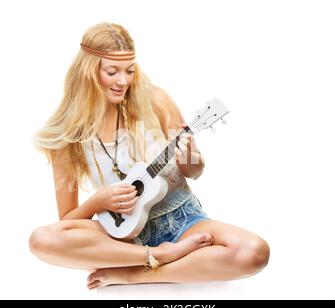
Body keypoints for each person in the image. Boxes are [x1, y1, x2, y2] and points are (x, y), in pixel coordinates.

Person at [29, 22, 270, 289]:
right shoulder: (66, 137)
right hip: (121, 237)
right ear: (88, 72)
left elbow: (195, 171)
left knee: (253, 251)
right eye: (112, 71)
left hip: (183, 220)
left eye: (129, 71)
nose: (123, 81)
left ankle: (135, 273)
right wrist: (98, 201)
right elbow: (68, 222)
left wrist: (191, 158)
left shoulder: (155, 100)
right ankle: (155, 256)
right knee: (42, 240)